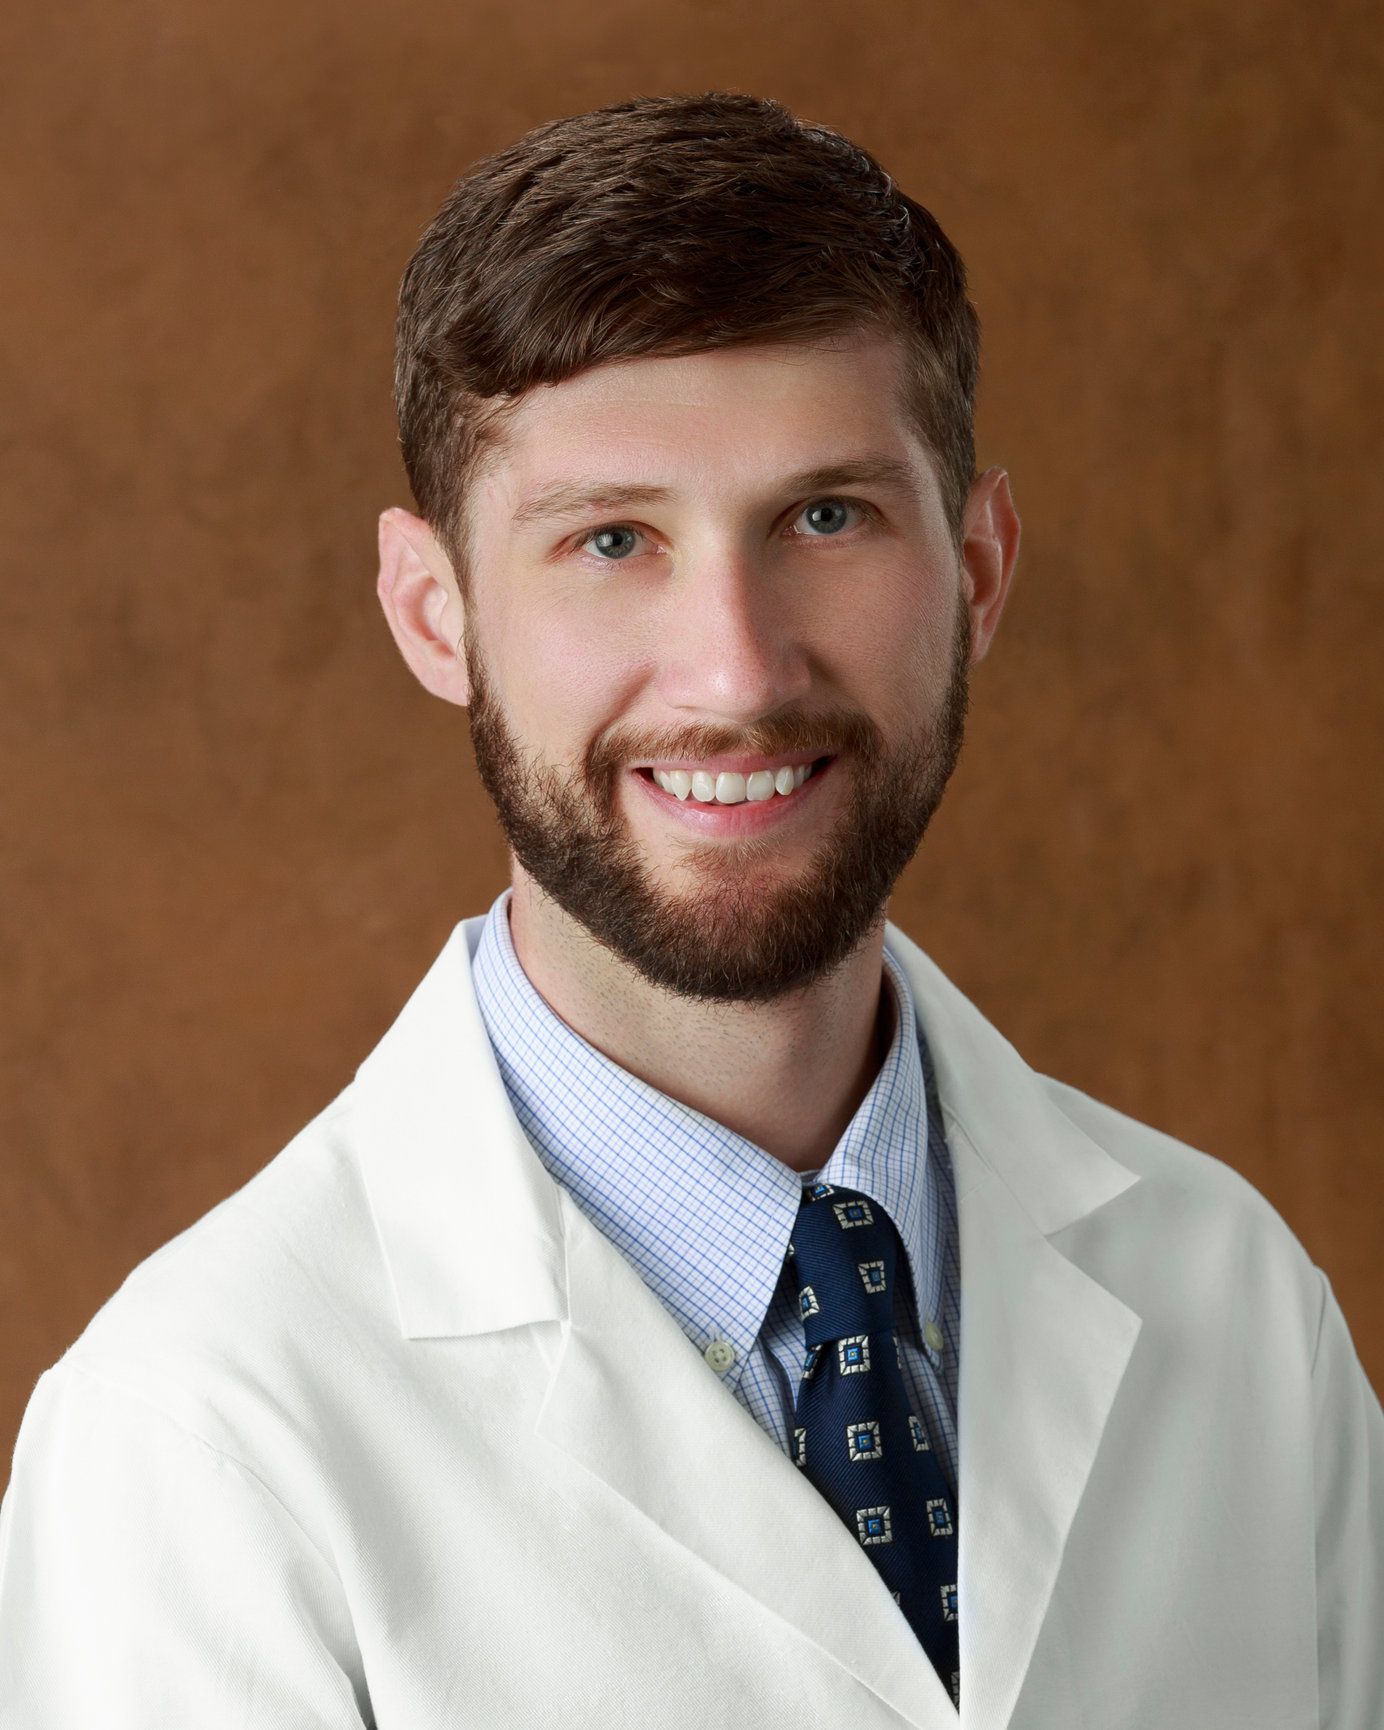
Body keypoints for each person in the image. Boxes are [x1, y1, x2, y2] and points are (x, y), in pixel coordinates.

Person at [1, 90, 1379, 1730]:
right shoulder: (202, 1435)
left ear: (982, 570)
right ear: (435, 613)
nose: (736, 668)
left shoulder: (1233, 1301)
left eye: (825, 516)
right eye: (609, 539)